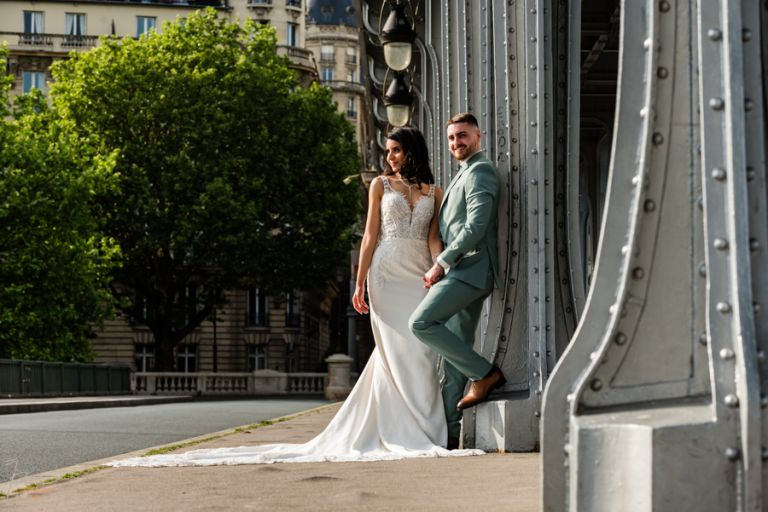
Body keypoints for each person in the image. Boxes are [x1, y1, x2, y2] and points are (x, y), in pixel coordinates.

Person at [109, 127, 483, 468]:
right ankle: (408, 429)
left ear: (412, 150)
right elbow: (370, 236)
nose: (391, 157)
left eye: (397, 150)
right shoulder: (379, 185)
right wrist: (359, 283)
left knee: (420, 353)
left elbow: (433, 238)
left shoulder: (434, 191)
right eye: (388, 151)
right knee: (397, 352)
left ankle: (419, 427)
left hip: (418, 276)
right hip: (385, 275)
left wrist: (439, 269)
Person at [409, 112, 504, 450]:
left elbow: (477, 224)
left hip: (471, 269)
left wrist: (442, 263)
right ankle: (449, 435)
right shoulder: (465, 172)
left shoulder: (480, 171)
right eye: (451, 138)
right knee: (453, 358)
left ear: (478, 136)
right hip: (464, 269)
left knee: (421, 322)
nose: (456, 143)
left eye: (462, 135)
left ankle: (486, 374)